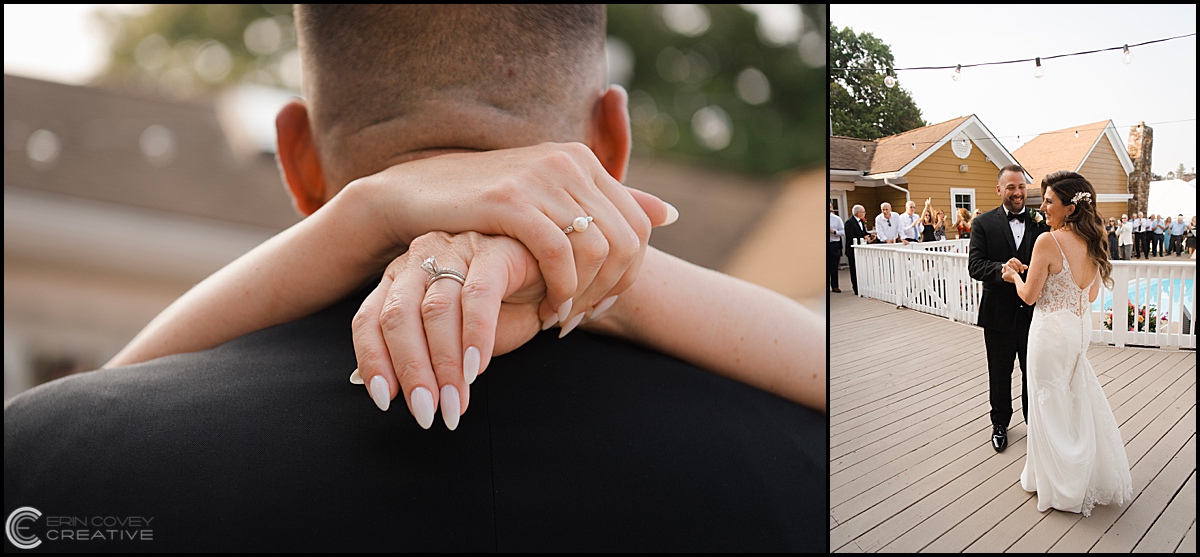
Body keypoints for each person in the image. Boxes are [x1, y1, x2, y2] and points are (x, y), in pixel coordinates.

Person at [3, 5, 825, 552]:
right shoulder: (825, 468)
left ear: (295, 158)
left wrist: (364, 215)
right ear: (612, 142)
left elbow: (79, 425)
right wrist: (604, 272)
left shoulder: (50, 465)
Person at [1000, 170, 1132, 516]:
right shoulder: (1094, 239)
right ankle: (1080, 472)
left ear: (1069, 208)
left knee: (1048, 403)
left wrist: (1013, 274)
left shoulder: (1048, 240)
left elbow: (1029, 297)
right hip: (1076, 329)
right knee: (1073, 398)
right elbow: (1088, 291)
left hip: (1049, 331)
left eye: (1048, 202)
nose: (1042, 207)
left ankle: (1061, 484)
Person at [967, 164, 1049, 452]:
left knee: (1033, 371)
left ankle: (1033, 423)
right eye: (1011, 187)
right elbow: (974, 266)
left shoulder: (1042, 223)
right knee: (999, 372)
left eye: (1022, 186)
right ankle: (1000, 423)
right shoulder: (983, 224)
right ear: (999, 189)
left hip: (1034, 314)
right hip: (997, 314)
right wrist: (1001, 268)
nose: (1017, 192)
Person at [844, 204, 873, 295]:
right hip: (852, 250)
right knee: (854, 269)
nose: (864, 213)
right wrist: (863, 237)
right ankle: (856, 288)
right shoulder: (849, 222)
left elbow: (863, 232)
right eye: (863, 212)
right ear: (858, 213)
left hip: (861, 250)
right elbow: (850, 236)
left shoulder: (861, 222)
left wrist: (869, 235)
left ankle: (863, 286)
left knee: (862, 269)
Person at [829, 201, 845, 293]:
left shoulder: (836, 219)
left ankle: (835, 286)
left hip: (833, 244)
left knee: (834, 266)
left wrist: (834, 232)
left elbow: (843, 232)